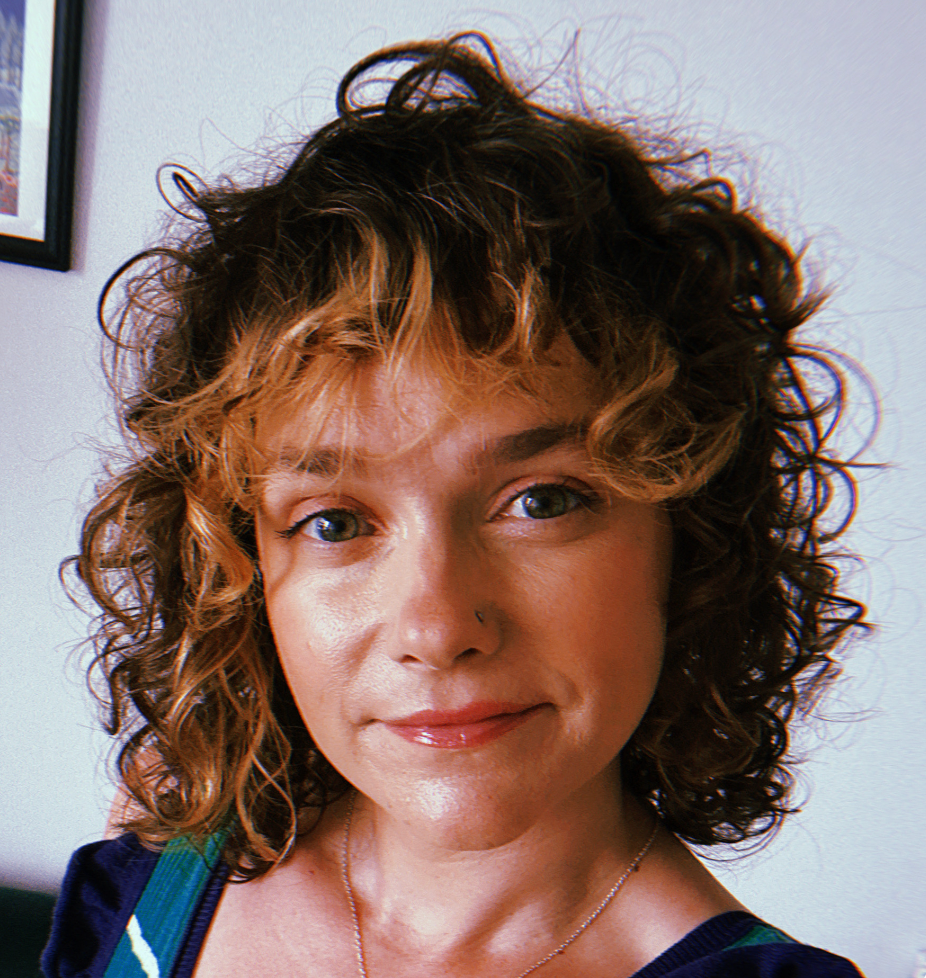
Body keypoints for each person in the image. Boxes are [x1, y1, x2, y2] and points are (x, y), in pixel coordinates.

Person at [42, 34, 868, 978]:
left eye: (542, 501)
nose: (436, 627)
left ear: (691, 537)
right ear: (242, 575)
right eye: (334, 522)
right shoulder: (143, 896)